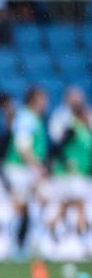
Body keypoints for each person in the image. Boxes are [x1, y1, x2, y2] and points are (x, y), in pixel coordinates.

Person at [3, 86, 49, 259]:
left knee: (43, 200)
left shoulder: (33, 117)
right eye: (43, 98)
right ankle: (14, 247)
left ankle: (33, 243)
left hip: (27, 168)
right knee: (19, 207)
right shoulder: (26, 117)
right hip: (20, 168)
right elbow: (23, 147)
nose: (46, 102)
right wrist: (37, 166)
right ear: (34, 99)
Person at [46, 101, 91, 253]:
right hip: (69, 176)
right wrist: (66, 162)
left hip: (79, 175)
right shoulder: (72, 129)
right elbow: (56, 148)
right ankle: (85, 243)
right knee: (80, 206)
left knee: (65, 207)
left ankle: (49, 229)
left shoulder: (85, 130)